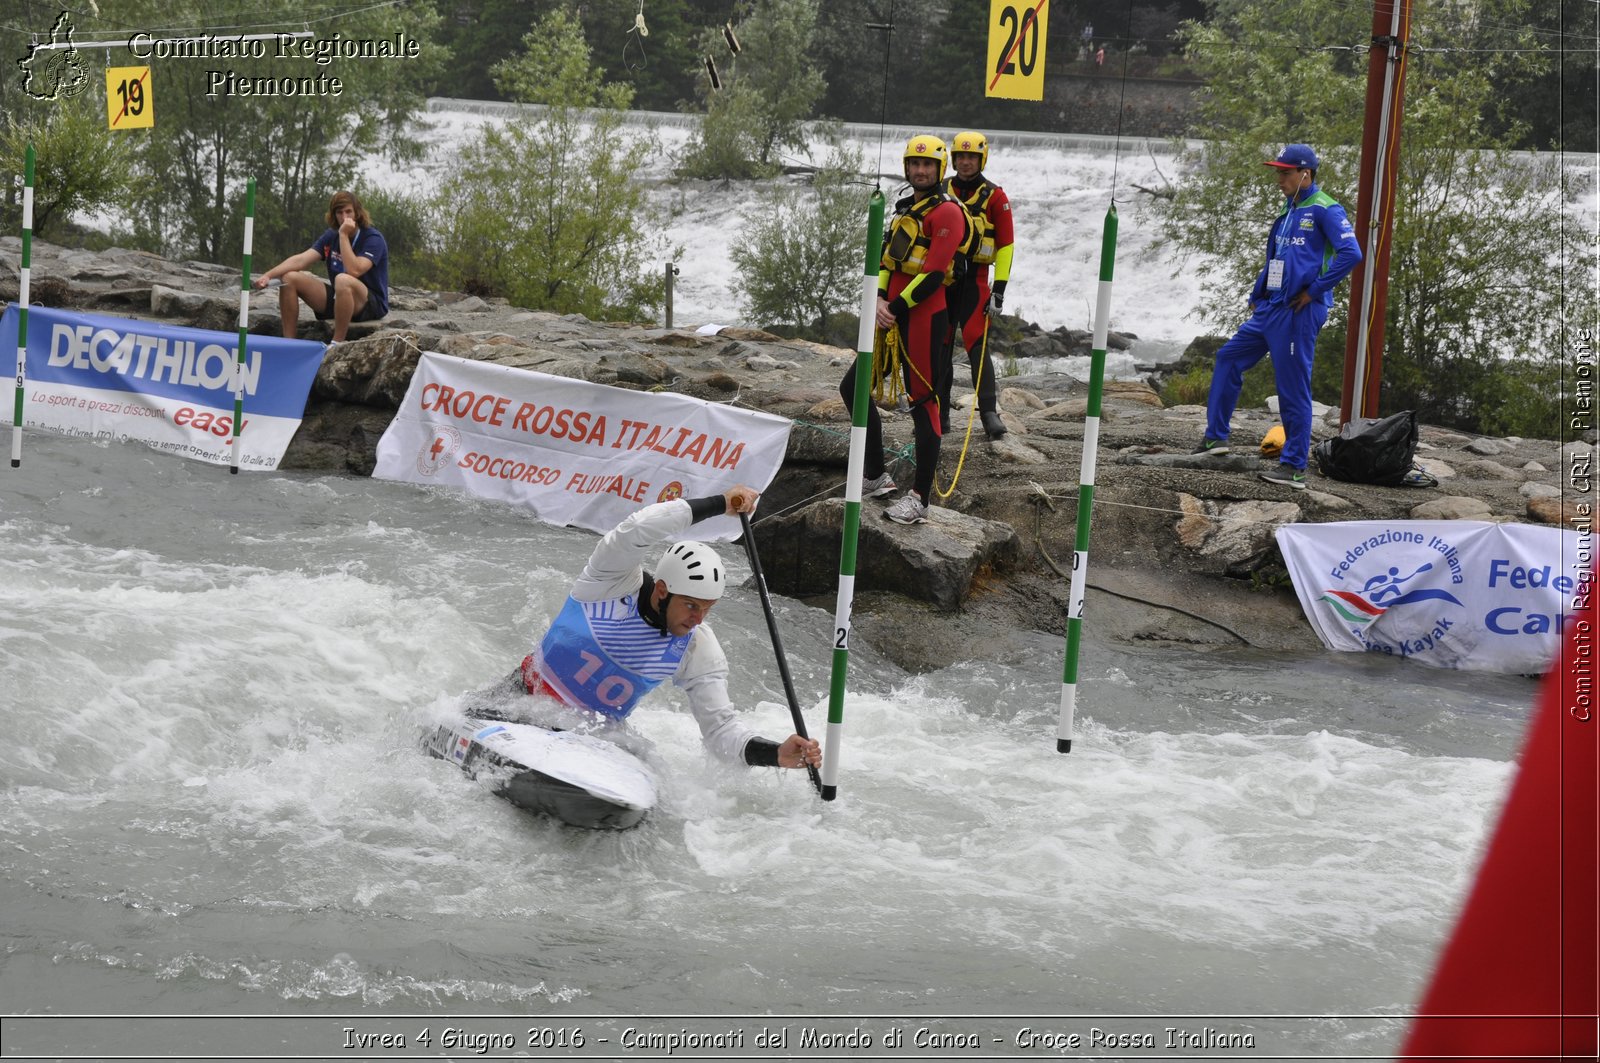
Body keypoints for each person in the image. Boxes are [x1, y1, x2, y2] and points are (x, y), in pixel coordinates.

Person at [513, 485, 820, 772]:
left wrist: (775, 753)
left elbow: (720, 730)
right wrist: (721, 503)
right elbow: (637, 527)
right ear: (661, 590)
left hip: (597, 737)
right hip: (522, 700)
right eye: (690, 605)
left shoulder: (696, 647)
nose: (698, 619)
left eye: (707, 608)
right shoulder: (609, 583)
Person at [1195, 143, 1363, 490]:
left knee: (1292, 387)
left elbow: (1352, 252)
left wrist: (1314, 291)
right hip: (1272, 309)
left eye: (1284, 173)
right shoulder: (1289, 210)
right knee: (1228, 358)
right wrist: (1258, 294)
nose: (1278, 179)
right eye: (1278, 172)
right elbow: (1277, 258)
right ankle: (1216, 440)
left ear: (1306, 174)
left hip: (1299, 311)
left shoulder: (1326, 209)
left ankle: (1294, 468)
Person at [839, 134, 965, 525]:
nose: (920, 171)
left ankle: (920, 499)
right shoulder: (903, 208)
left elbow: (932, 275)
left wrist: (893, 307)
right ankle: (876, 476)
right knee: (853, 387)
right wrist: (878, 299)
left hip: (924, 320)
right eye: (914, 164)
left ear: (940, 169)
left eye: (927, 165)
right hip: (889, 315)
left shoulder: (948, 213)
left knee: (924, 406)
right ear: (907, 167)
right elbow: (886, 261)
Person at [940, 129, 1015, 440]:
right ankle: (939, 414)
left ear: (981, 159)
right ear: (953, 159)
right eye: (961, 157)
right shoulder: (940, 189)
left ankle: (988, 412)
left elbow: (1007, 245)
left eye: (971, 157)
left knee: (976, 345)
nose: (966, 162)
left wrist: (999, 290)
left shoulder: (996, 196)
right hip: (942, 282)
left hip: (976, 282)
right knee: (939, 349)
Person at [254, 190, 389, 343]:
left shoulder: (372, 238)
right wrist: (268, 275)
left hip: (369, 305)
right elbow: (301, 259)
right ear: (334, 215)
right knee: (289, 277)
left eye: (348, 212)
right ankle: (289, 342)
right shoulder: (331, 235)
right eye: (339, 213)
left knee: (342, 279)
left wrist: (344, 235)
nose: (345, 217)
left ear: (357, 213)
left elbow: (354, 270)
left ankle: (336, 343)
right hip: (340, 299)